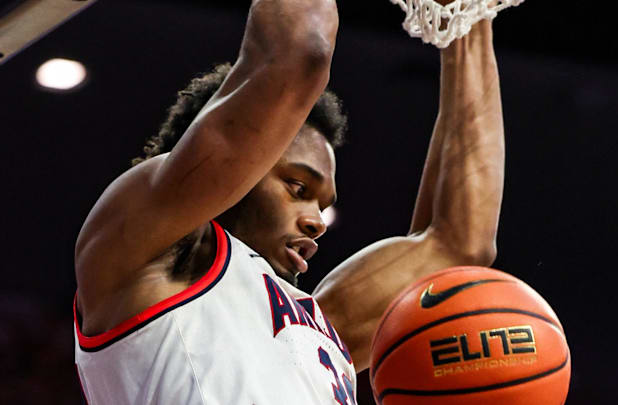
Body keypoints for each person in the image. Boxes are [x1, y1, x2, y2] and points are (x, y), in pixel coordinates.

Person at [72, 0, 505, 403]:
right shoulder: (145, 251)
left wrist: (468, 19)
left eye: (321, 203)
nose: (316, 221)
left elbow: (458, 244)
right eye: (298, 189)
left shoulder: (318, 326)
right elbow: (298, 54)